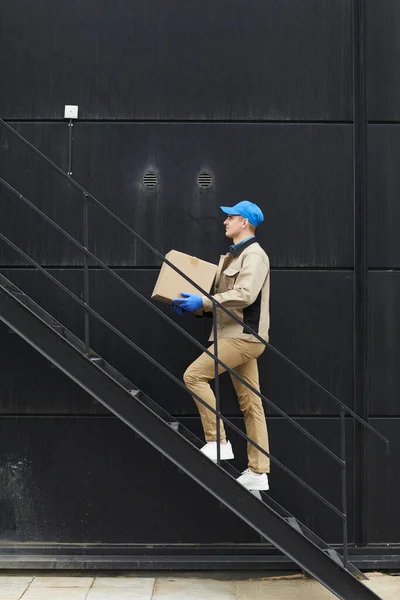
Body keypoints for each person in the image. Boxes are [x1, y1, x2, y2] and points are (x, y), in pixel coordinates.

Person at [172, 201, 270, 491]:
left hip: (243, 337)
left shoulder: (254, 255)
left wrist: (202, 301)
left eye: (232, 217)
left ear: (246, 223)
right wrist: (196, 308)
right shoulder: (230, 257)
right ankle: (258, 471)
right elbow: (222, 299)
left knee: (194, 375)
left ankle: (218, 441)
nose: (225, 221)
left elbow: (244, 295)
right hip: (231, 334)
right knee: (251, 404)